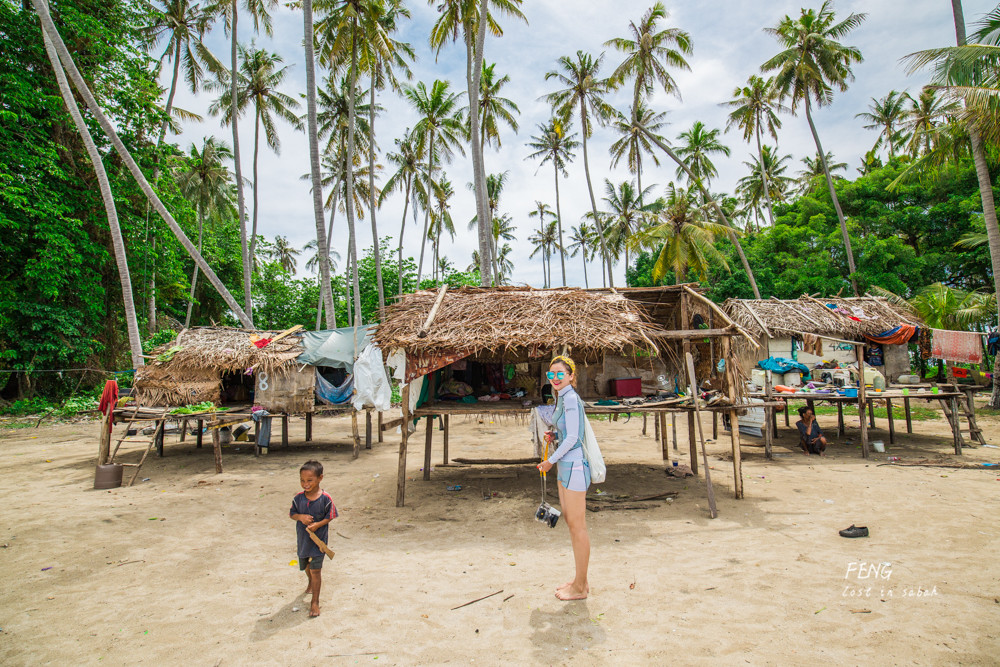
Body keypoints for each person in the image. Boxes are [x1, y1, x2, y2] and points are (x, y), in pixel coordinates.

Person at [537, 355, 590, 601]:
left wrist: (550, 461)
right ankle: (580, 580)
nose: (555, 378)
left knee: (578, 527)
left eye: (560, 374)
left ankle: (580, 588)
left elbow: (573, 439)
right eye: (551, 374)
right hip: (566, 467)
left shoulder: (570, 399)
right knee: (571, 523)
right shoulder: (561, 398)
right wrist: (553, 434)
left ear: (571, 377)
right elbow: (565, 432)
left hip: (574, 467)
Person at [289, 460, 337, 616]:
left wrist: (318, 525)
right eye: (302, 480)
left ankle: (315, 602)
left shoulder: (326, 499)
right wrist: (300, 517)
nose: (305, 484)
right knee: (306, 567)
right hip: (303, 541)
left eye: (309, 480)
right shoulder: (298, 499)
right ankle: (310, 580)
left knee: (316, 570)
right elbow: (292, 514)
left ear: (320, 478)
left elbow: (331, 516)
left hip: (319, 543)